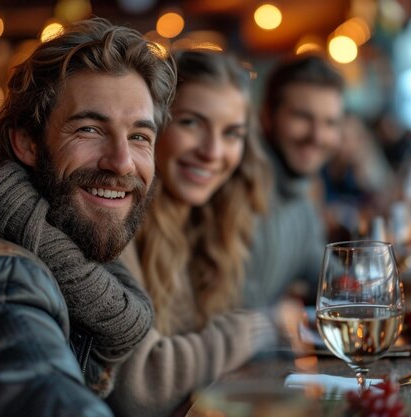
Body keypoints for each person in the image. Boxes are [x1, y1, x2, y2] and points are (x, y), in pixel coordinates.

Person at [0, 17, 177, 417]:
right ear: (26, 142)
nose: (122, 162)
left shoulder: (67, 255)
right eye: (90, 129)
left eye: (139, 136)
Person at [108, 50, 294, 417]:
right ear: (153, 125)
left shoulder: (212, 218)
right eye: (192, 123)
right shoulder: (116, 220)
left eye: (231, 134)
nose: (213, 152)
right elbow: (141, 388)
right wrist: (261, 325)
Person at [241, 54, 345, 308]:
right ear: (267, 116)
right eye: (302, 117)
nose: (317, 136)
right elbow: (230, 314)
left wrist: (376, 285)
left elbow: (327, 276)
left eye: (330, 123)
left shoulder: (299, 193)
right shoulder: (238, 190)